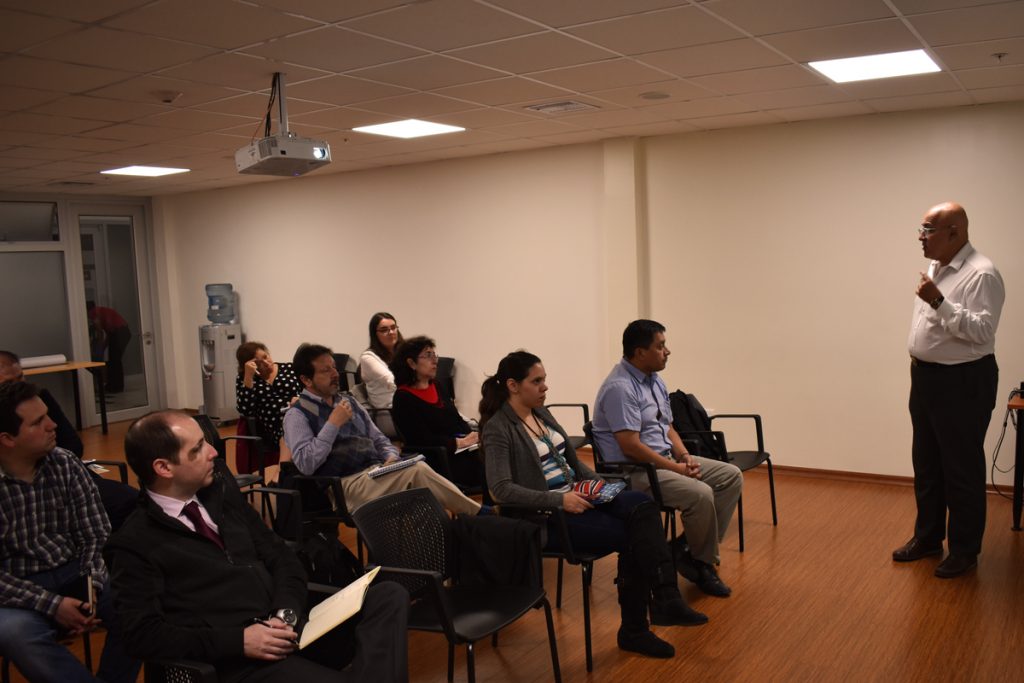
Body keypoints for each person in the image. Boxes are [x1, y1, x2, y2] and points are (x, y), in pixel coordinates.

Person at [107, 410, 409, 683]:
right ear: (164, 467)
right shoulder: (136, 542)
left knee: (387, 595)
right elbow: (141, 635)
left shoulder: (220, 496)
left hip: (289, 628)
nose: (213, 452)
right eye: (197, 449)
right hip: (241, 662)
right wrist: (240, 641)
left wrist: (285, 613)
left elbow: (282, 557)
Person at [480, 351, 707, 659]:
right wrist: (560, 499)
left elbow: (575, 465)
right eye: (537, 381)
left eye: (544, 379)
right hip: (546, 516)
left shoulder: (541, 413)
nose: (545, 387)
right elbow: (500, 491)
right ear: (513, 385)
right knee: (634, 535)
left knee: (643, 504)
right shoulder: (498, 427)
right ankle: (638, 627)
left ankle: (665, 597)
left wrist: (601, 487)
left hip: (579, 496)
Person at [0, 381, 139, 683]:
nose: (53, 425)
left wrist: (91, 586)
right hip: (15, 587)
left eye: (47, 415)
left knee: (136, 605)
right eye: (38, 422)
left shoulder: (64, 462)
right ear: (7, 439)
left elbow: (95, 533)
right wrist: (53, 605)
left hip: (73, 570)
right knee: (16, 634)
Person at [592, 320, 743, 598]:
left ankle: (686, 548)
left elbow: (668, 427)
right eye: (660, 346)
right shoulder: (620, 388)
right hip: (633, 471)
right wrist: (677, 469)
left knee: (730, 476)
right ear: (640, 353)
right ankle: (702, 563)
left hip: (663, 460)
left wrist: (684, 456)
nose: (667, 351)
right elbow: (631, 447)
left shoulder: (654, 380)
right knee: (700, 494)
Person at [894, 201, 1004, 578]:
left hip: (963, 381)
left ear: (954, 232)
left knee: (961, 468)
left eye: (927, 229)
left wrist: (938, 301)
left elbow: (982, 332)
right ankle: (927, 538)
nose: (920, 237)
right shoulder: (937, 266)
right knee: (926, 462)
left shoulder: (982, 274)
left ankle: (964, 550)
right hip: (926, 378)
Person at [282, 343, 483, 516]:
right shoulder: (297, 415)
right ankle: (477, 514)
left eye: (334, 367)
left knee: (419, 481)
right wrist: (332, 424)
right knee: (417, 473)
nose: (335, 374)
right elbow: (306, 464)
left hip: (376, 472)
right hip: (346, 485)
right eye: (326, 370)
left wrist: (390, 458)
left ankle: (448, 537)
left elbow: (379, 439)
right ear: (306, 380)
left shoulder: (348, 401)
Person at [0, 351, 138, 531]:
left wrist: (43, 452)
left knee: (129, 500)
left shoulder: (38, 398)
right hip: (25, 487)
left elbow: (73, 445)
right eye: (9, 383)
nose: (19, 386)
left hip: (60, 473)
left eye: (21, 377)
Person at [390, 336, 480, 487]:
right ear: (411, 363)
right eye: (428, 355)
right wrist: (458, 443)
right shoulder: (403, 397)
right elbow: (420, 439)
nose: (435, 360)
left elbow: (456, 419)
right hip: (437, 458)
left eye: (434, 355)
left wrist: (471, 435)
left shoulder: (436, 386)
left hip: (460, 449)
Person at [236, 341, 304, 446]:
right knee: (291, 429)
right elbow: (245, 410)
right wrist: (249, 377)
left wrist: (301, 399)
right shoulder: (246, 379)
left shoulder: (289, 368)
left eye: (265, 357)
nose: (267, 363)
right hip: (275, 427)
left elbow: (310, 390)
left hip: (301, 413)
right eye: (259, 363)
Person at [359, 312, 404, 410]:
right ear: (375, 334)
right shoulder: (368, 357)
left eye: (393, 328)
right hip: (387, 410)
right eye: (384, 330)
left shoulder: (405, 352)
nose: (391, 332)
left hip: (407, 403)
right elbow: (390, 380)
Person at [87, 301, 131, 393]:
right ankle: (114, 386)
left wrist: (99, 349)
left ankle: (115, 387)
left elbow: (100, 332)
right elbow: (109, 333)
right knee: (114, 360)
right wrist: (103, 347)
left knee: (115, 360)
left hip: (120, 333)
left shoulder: (93, 312)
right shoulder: (102, 311)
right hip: (123, 332)